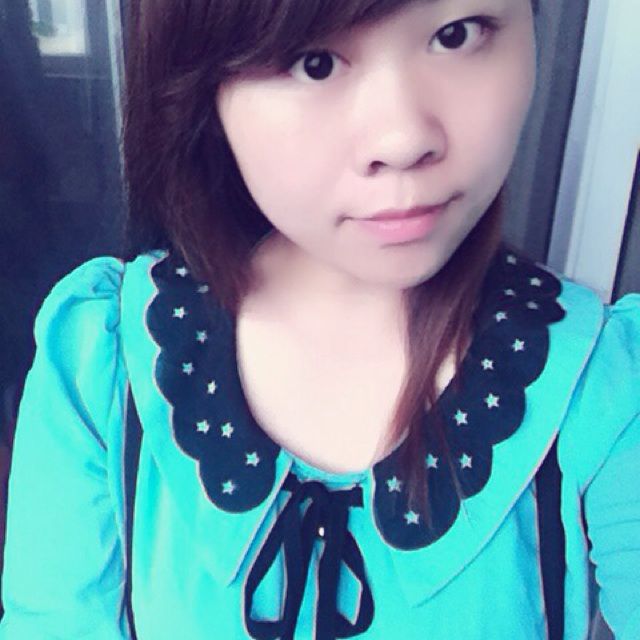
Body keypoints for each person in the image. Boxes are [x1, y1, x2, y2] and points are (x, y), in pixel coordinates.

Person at [1, 0, 639, 638]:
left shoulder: (606, 384)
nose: (403, 139)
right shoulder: (104, 364)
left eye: (455, 35)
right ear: (207, 88)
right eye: (314, 63)